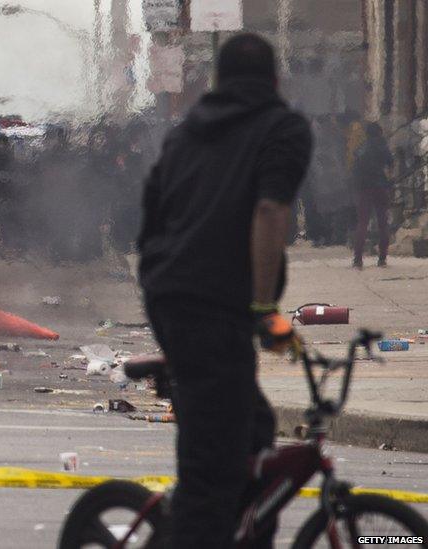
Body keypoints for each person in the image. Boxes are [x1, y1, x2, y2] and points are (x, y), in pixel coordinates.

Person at [136, 33, 312, 548]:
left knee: (253, 432)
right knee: (211, 475)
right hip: (213, 307)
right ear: (275, 80)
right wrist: (265, 310)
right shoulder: (283, 129)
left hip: (171, 294)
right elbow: (270, 211)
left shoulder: (184, 133)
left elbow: (150, 218)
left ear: (215, 81)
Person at [351, 121, 393, 269]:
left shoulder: (361, 148)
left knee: (362, 223)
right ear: (380, 133)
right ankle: (382, 257)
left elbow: (354, 170)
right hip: (380, 187)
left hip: (364, 189)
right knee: (383, 223)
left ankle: (358, 258)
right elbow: (390, 163)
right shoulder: (383, 147)